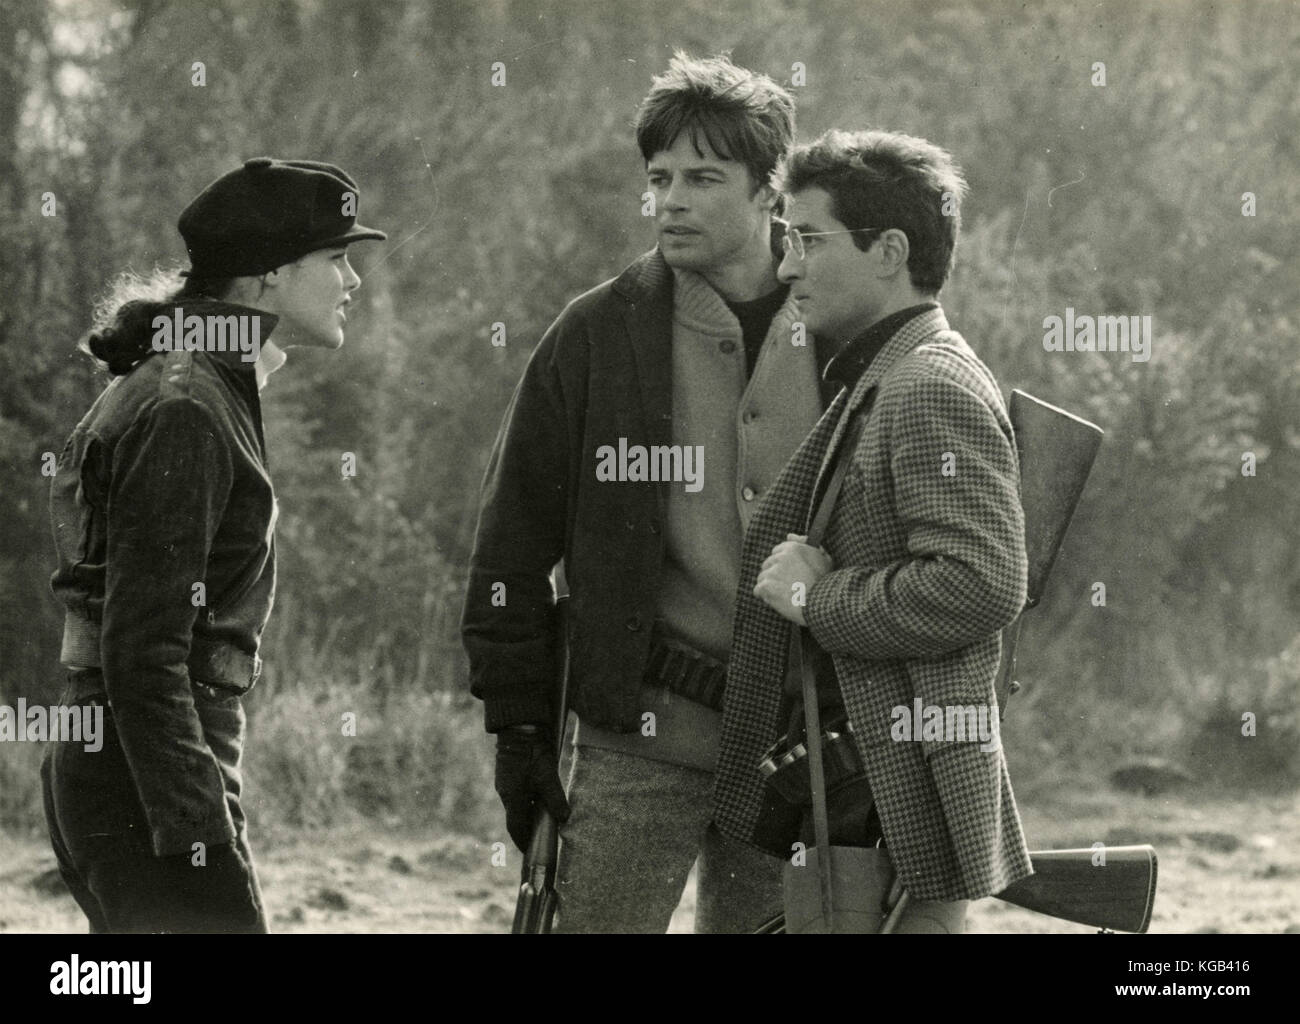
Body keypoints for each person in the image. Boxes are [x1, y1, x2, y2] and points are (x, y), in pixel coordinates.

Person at [462, 53, 842, 933]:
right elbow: (511, 545)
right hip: (636, 738)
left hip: (800, 749)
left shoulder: (840, 322)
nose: (670, 199)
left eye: (704, 178)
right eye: (660, 177)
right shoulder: (596, 332)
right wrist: (516, 732)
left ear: (768, 191)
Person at [42, 158, 386, 933]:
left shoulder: (200, 384)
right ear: (265, 279)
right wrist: (201, 832)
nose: (353, 282)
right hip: (144, 776)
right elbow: (142, 652)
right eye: (335, 258)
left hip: (134, 767)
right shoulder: (189, 405)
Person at [713, 129, 1033, 933]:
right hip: (869, 791)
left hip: (897, 797)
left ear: (889, 250)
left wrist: (820, 599)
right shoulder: (888, 373)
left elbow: (982, 582)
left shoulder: (926, 384)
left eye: (809, 241)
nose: (787, 267)